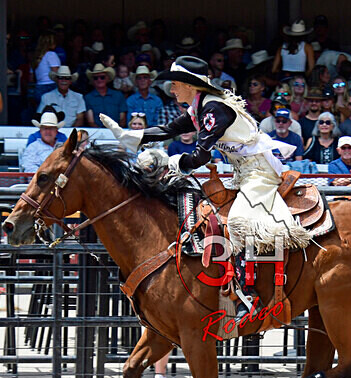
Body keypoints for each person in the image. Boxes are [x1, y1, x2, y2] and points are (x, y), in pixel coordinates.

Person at [99, 56, 311, 320]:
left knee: (238, 222)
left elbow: (200, 157)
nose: (172, 89)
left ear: (191, 85)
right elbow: (168, 130)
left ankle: (250, 293)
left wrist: (176, 161)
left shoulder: (214, 110)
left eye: (176, 84)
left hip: (259, 174)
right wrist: (130, 135)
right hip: (243, 172)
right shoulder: (201, 108)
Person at [22, 108, 65, 173]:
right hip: (41, 181)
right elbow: (30, 169)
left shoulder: (64, 146)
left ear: (56, 131)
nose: (48, 131)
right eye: (45, 128)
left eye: (51, 128)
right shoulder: (32, 148)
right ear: (40, 131)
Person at [32, 31, 61, 100]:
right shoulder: (51, 55)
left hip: (38, 87)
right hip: (50, 86)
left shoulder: (36, 56)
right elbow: (56, 73)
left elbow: (31, 77)